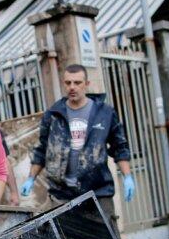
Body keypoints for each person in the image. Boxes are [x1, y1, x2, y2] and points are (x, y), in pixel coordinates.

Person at [21, 64, 135, 230]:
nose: (72, 87)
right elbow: (42, 149)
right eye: (68, 83)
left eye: (77, 82)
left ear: (86, 84)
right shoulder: (53, 114)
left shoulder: (105, 112)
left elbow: (119, 147)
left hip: (97, 192)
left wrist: (127, 177)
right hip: (62, 195)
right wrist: (31, 178)